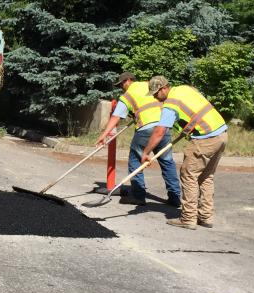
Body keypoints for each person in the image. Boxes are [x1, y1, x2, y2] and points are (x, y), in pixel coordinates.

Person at [141, 75, 227, 230]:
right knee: (206, 176)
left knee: (188, 175)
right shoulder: (185, 89)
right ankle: (206, 216)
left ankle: (188, 218)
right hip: (221, 134)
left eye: (156, 93)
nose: (155, 97)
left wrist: (146, 152)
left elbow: (160, 131)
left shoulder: (170, 103)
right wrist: (187, 130)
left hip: (205, 139)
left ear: (164, 88)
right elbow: (197, 110)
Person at [95, 72, 181, 206]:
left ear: (129, 80)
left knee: (135, 161)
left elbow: (116, 116)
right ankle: (175, 198)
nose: (122, 87)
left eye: (123, 83)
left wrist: (103, 134)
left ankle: (138, 196)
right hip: (163, 127)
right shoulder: (151, 85)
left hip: (145, 130)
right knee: (167, 162)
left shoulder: (128, 95)